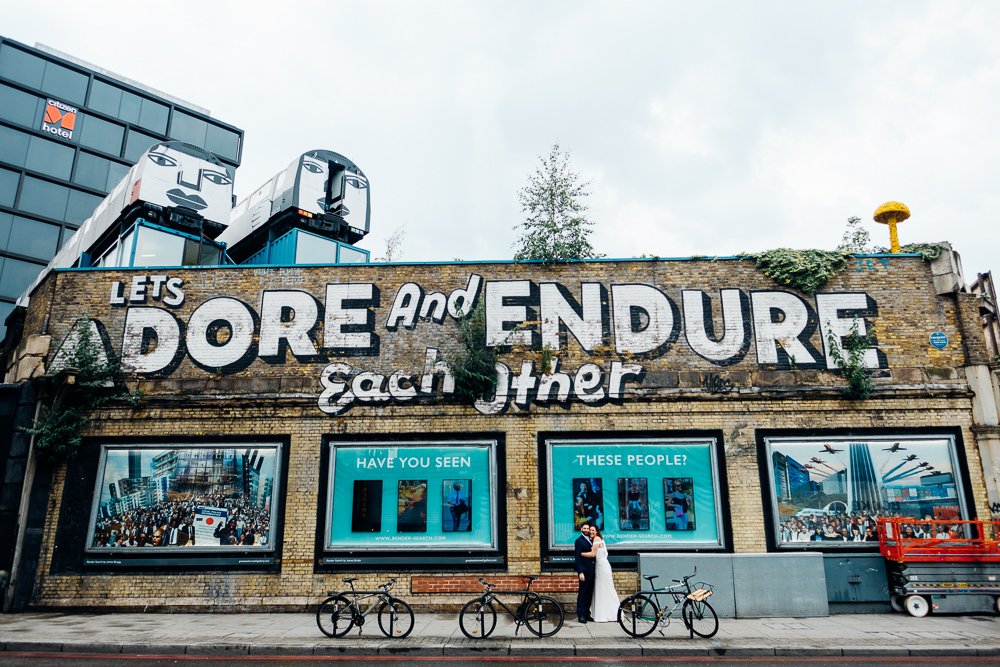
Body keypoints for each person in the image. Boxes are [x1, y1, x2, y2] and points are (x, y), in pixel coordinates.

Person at [589, 526, 620, 622]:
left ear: (597, 531)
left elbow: (593, 554)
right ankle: (610, 612)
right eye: (590, 530)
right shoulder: (600, 539)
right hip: (603, 565)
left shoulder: (597, 539)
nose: (591, 532)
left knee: (603, 588)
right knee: (604, 588)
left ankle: (604, 614)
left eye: (593, 530)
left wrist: (580, 554)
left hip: (601, 566)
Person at [574, 521, 597, 623]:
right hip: (584, 572)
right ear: (581, 529)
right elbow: (577, 557)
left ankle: (587, 614)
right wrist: (580, 572)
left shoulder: (592, 539)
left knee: (589, 594)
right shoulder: (579, 541)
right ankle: (581, 615)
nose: (587, 530)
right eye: (585, 528)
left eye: (588, 529)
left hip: (592, 571)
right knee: (582, 594)